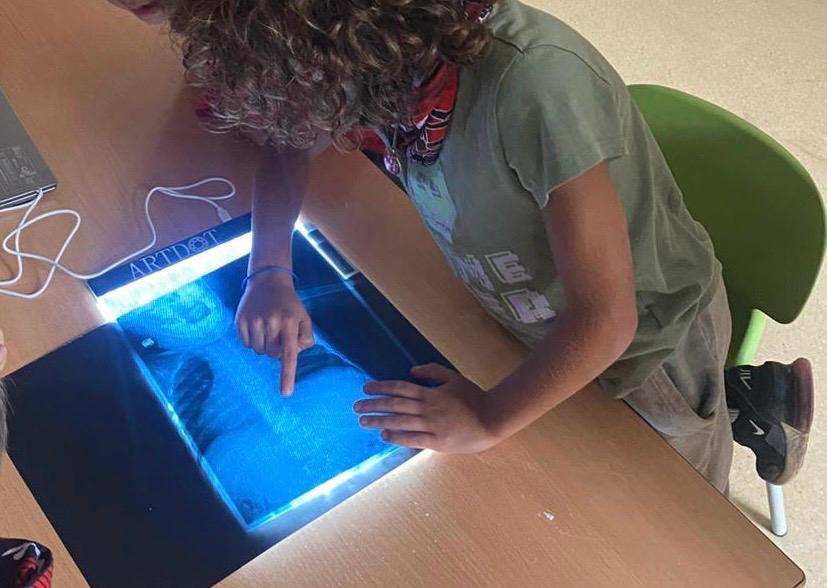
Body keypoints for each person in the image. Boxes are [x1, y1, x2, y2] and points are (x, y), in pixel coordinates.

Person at [104, 0, 813, 491]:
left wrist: (487, 418)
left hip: (650, 346)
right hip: (526, 308)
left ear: (340, 48)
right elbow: (290, 141)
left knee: (670, 496)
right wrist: (268, 268)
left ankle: (736, 410)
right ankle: (744, 397)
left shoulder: (534, 85)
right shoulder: (378, 58)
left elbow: (606, 320)